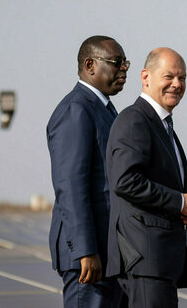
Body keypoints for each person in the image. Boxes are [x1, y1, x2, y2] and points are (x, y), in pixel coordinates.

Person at [105, 47, 187, 307]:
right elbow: (125, 181)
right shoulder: (134, 120)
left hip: (160, 262)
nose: (177, 84)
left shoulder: (162, 126)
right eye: (168, 76)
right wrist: (179, 202)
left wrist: (184, 208)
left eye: (182, 78)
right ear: (146, 77)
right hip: (145, 259)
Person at [47, 35, 129, 307]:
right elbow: (71, 186)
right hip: (90, 258)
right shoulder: (76, 109)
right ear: (90, 65)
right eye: (116, 63)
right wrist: (85, 251)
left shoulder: (104, 108)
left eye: (125, 64)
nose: (123, 71)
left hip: (110, 253)